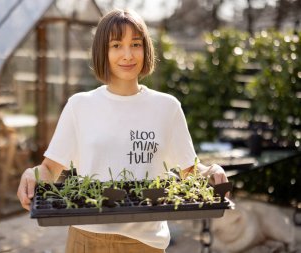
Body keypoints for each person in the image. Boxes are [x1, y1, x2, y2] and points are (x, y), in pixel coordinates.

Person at [17, 9, 229, 253]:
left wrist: (211, 171)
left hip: (146, 241)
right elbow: (50, 169)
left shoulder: (167, 107)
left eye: (135, 44)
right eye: (116, 45)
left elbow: (190, 171)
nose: (127, 55)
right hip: (87, 237)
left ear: (145, 49)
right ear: (103, 52)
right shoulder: (80, 105)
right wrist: (32, 175)